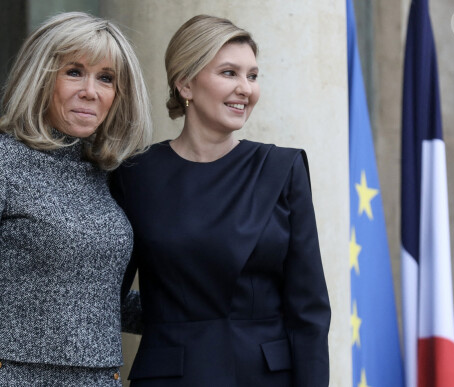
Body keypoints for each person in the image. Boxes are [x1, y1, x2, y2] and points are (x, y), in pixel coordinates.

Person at [111, 14, 331, 387]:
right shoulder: (134, 174)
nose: (246, 88)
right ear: (185, 84)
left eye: (253, 75)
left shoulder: (281, 168)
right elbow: (104, 295)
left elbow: (308, 311)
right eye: (229, 73)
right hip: (170, 377)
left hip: (265, 378)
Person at [0, 12, 150, 386]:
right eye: (73, 71)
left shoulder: (110, 174)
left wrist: (205, 305)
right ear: (40, 77)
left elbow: (100, 301)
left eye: (106, 78)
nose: (90, 91)